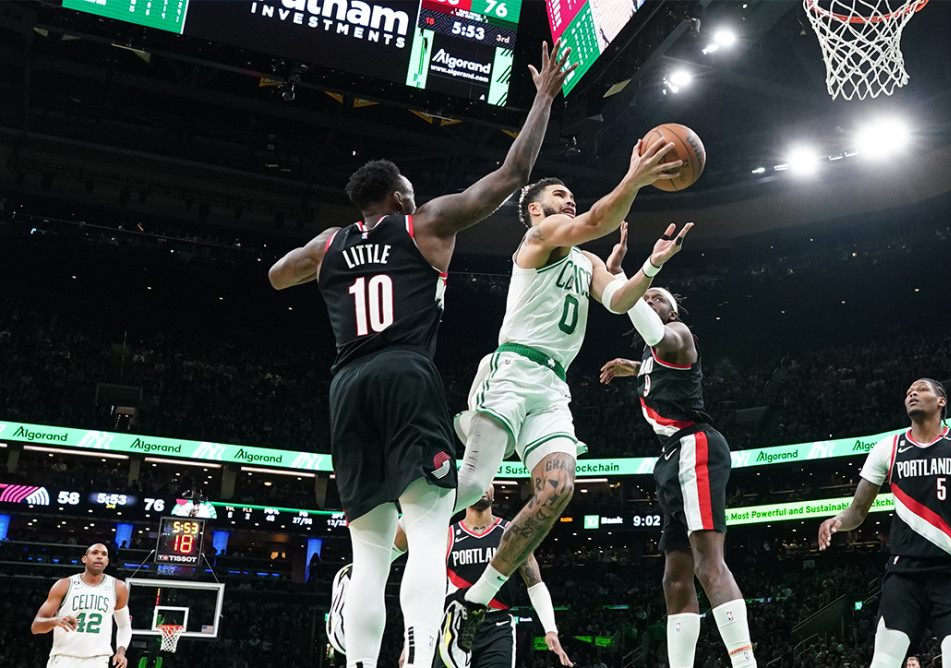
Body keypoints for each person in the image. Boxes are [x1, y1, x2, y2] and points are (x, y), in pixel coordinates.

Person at [268, 41, 575, 668]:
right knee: (430, 537)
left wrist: (333, 258)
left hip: (346, 385)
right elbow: (513, 177)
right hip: (406, 376)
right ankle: (414, 660)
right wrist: (542, 97)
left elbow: (277, 275)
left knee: (370, 555)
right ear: (401, 197)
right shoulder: (425, 223)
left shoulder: (327, 245)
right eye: (410, 191)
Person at [438, 144, 689, 668]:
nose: (569, 200)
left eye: (571, 195)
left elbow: (619, 303)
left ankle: (474, 602)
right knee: (468, 489)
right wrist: (635, 177)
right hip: (511, 371)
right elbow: (601, 216)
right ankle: (381, 548)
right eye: (559, 194)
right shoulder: (538, 237)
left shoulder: (589, 259)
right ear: (534, 209)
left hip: (552, 386)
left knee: (558, 489)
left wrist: (650, 266)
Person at [597, 279, 756, 668]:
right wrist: (634, 367)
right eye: (646, 297)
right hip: (671, 457)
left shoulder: (680, 334)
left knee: (707, 563)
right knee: (675, 576)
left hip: (695, 446)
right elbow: (657, 368)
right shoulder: (653, 360)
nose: (650, 301)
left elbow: (660, 337)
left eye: (658, 299)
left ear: (672, 313)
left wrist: (625, 285)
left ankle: (746, 663)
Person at [817, 379, 951, 668]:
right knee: (882, 663)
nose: (912, 394)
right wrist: (837, 521)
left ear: (941, 401)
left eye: (921, 390)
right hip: (904, 572)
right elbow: (857, 511)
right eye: (908, 392)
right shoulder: (888, 448)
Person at [328, 486, 572, 668]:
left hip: (496, 628)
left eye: (490, 481)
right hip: (449, 626)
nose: (484, 486)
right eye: (480, 481)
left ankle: (358, 572)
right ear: (468, 490)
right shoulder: (447, 534)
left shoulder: (510, 533)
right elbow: (425, 587)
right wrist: (412, 643)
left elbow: (535, 584)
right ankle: (356, 573)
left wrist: (550, 629)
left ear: (494, 492)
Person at [31, 543, 132, 668]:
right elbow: (36, 627)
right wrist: (55, 620)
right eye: (94, 553)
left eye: (104, 554)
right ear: (84, 559)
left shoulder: (118, 587)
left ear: (107, 561)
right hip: (64, 658)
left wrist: (121, 651)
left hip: (97, 660)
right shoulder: (64, 585)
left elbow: (124, 625)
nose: (99, 557)